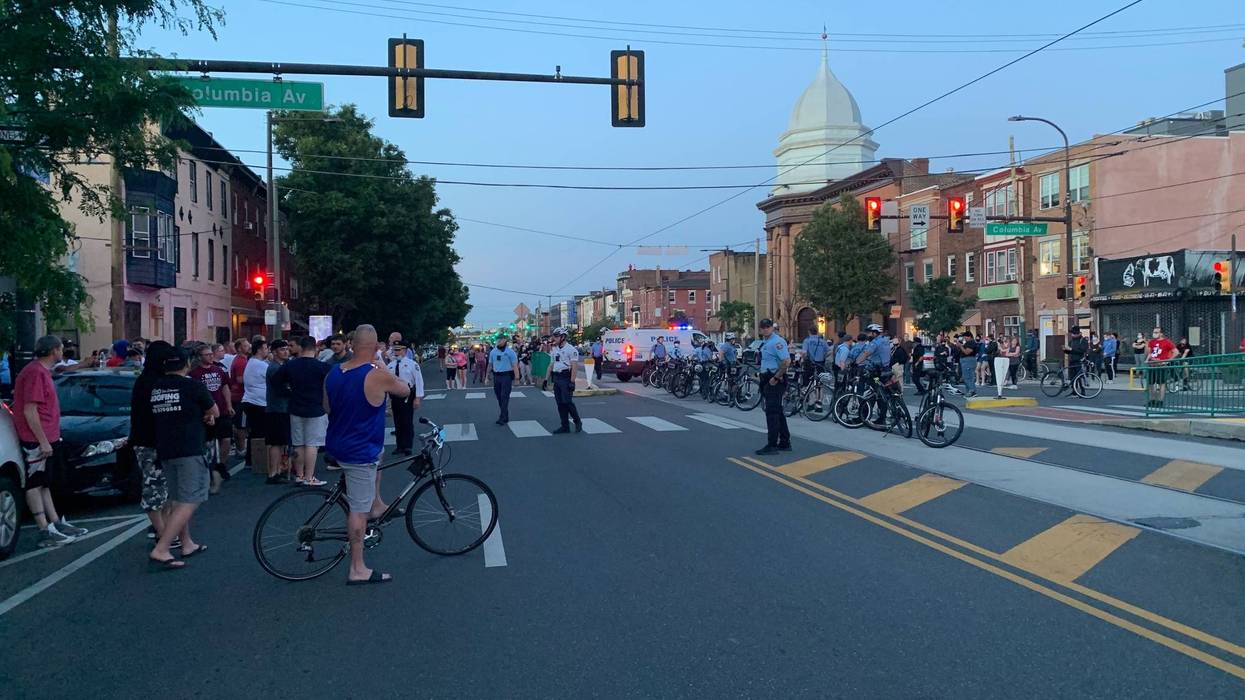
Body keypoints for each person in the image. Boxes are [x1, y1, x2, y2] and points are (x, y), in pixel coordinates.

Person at [325, 324, 411, 585]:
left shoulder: (333, 373)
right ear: (375, 348)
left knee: (380, 456)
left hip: (337, 443)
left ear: (351, 345)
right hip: (359, 451)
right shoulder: (375, 374)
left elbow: (326, 406)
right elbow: (404, 389)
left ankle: (377, 504)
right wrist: (381, 363)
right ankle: (357, 568)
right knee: (357, 510)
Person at [13, 336, 89, 547]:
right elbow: (30, 410)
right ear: (54, 350)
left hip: (47, 435)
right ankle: (44, 529)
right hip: (37, 438)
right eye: (61, 348)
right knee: (35, 481)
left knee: (45, 481)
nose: (63, 351)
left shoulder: (39, 371)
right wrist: (42, 440)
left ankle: (54, 522)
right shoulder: (36, 373)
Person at [148, 346, 219, 570]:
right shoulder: (192, 386)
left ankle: (186, 543)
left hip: (166, 448)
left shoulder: (157, 387)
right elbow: (214, 410)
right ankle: (162, 548)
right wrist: (207, 416)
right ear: (187, 365)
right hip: (189, 447)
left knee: (177, 498)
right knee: (192, 498)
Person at [275, 335, 331, 485]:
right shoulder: (322, 367)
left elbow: (275, 381)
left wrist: (288, 392)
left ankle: (299, 475)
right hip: (315, 408)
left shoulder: (291, 365)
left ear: (300, 347)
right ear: (316, 348)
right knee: (312, 444)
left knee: (298, 443)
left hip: (295, 406)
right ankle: (309, 476)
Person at [190, 343, 233, 494]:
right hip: (206, 413)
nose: (210, 357)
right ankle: (211, 471)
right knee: (209, 444)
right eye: (207, 355)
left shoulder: (219, 370)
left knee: (226, 438)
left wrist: (229, 405)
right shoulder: (195, 374)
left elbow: (225, 387)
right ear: (200, 357)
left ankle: (222, 465)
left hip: (221, 410)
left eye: (210, 354)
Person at [755, 319, 792, 456]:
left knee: (772, 413)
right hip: (767, 377)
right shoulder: (766, 342)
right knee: (777, 411)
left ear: (772, 328)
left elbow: (786, 361)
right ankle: (784, 441)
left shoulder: (777, 342)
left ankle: (772, 444)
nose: (765, 329)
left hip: (774, 378)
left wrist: (776, 377)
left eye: (767, 327)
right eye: (763, 327)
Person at [387, 339, 425, 454]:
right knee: (397, 421)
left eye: (398, 350)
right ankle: (400, 446)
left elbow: (418, 381)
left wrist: (418, 398)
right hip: (395, 396)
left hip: (408, 395)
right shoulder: (390, 366)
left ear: (405, 350)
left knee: (407, 421)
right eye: (394, 350)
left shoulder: (412, 364)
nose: (396, 352)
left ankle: (408, 445)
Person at [264, 340, 293, 484]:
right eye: (282, 349)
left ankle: (278, 470)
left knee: (280, 442)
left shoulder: (281, 366)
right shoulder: (275, 368)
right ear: (274, 352)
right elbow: (281, 390)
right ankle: (273, 472)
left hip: (281, 408)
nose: (286, 352)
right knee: (276, 442)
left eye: (287, 349)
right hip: (277, 409)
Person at [546, 327, 583, 434]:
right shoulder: (554, 349)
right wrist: (545, 379)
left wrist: (572, 381)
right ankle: (565, 426)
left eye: (556, 336)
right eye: (554, 336)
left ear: (563, 337)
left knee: (567, 402)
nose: (554, 338)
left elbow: (574, 367)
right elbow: (551, 365)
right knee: (560, 404)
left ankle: (577, 421)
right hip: (556, 378)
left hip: (566, 377)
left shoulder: (571, 350)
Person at [241, 339, 270, 467]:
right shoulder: (260, 365)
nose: (267, 350)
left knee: (255, 432)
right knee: (260, 432)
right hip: (258, 402)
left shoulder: (252, 362)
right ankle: (257, 460)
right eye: (265, 348)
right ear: (259, 350)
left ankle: (251, 460)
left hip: (251, 401)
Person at [488, 336, 519, 426]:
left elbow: (514, 365)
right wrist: (487, 376)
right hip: (496, 376)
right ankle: (505, 415)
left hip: (506, 376)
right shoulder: (493, 351)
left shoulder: (510, 352)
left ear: (505, 340)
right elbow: (490, 364)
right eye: (497, 340)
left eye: (500, 340)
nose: (498, 341)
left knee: (504, 396)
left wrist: (517, 378)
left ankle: (502, 417)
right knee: (499, 397)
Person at [228, 338, 251, 456]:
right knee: (241, 424)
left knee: (241, 424)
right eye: (246, 346)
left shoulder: (242, 360)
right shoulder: (241, 361)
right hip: (240, 396)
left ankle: (240, 447)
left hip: (239, 396)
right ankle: (241, 449)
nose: (249, 347)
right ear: (239, 348)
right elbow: (240, 379)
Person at [1146, 327, 1177, 407]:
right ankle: (1152, 400)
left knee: (1161, 383)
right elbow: (1149, 352)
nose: (1154, 334)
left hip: (1161, 365)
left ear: (1161, 333)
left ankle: (1160, 401)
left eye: (1156, 332)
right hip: (1152, 364)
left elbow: (1176, 352)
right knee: (1150, 383)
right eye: (1154, 332)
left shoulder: (1167, 342)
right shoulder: (1151, 342)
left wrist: (1167, 361)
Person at [957, 332, 978, 397]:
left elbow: (967, 352)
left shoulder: (971, 343)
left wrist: (961, 346)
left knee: (968, 376)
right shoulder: (967, 343)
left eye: (965, 337)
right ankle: (969, 391)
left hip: (968, 360)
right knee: (966, 376)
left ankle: (972, 391)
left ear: (969, 337)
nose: (964, 338)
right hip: (965, 360)